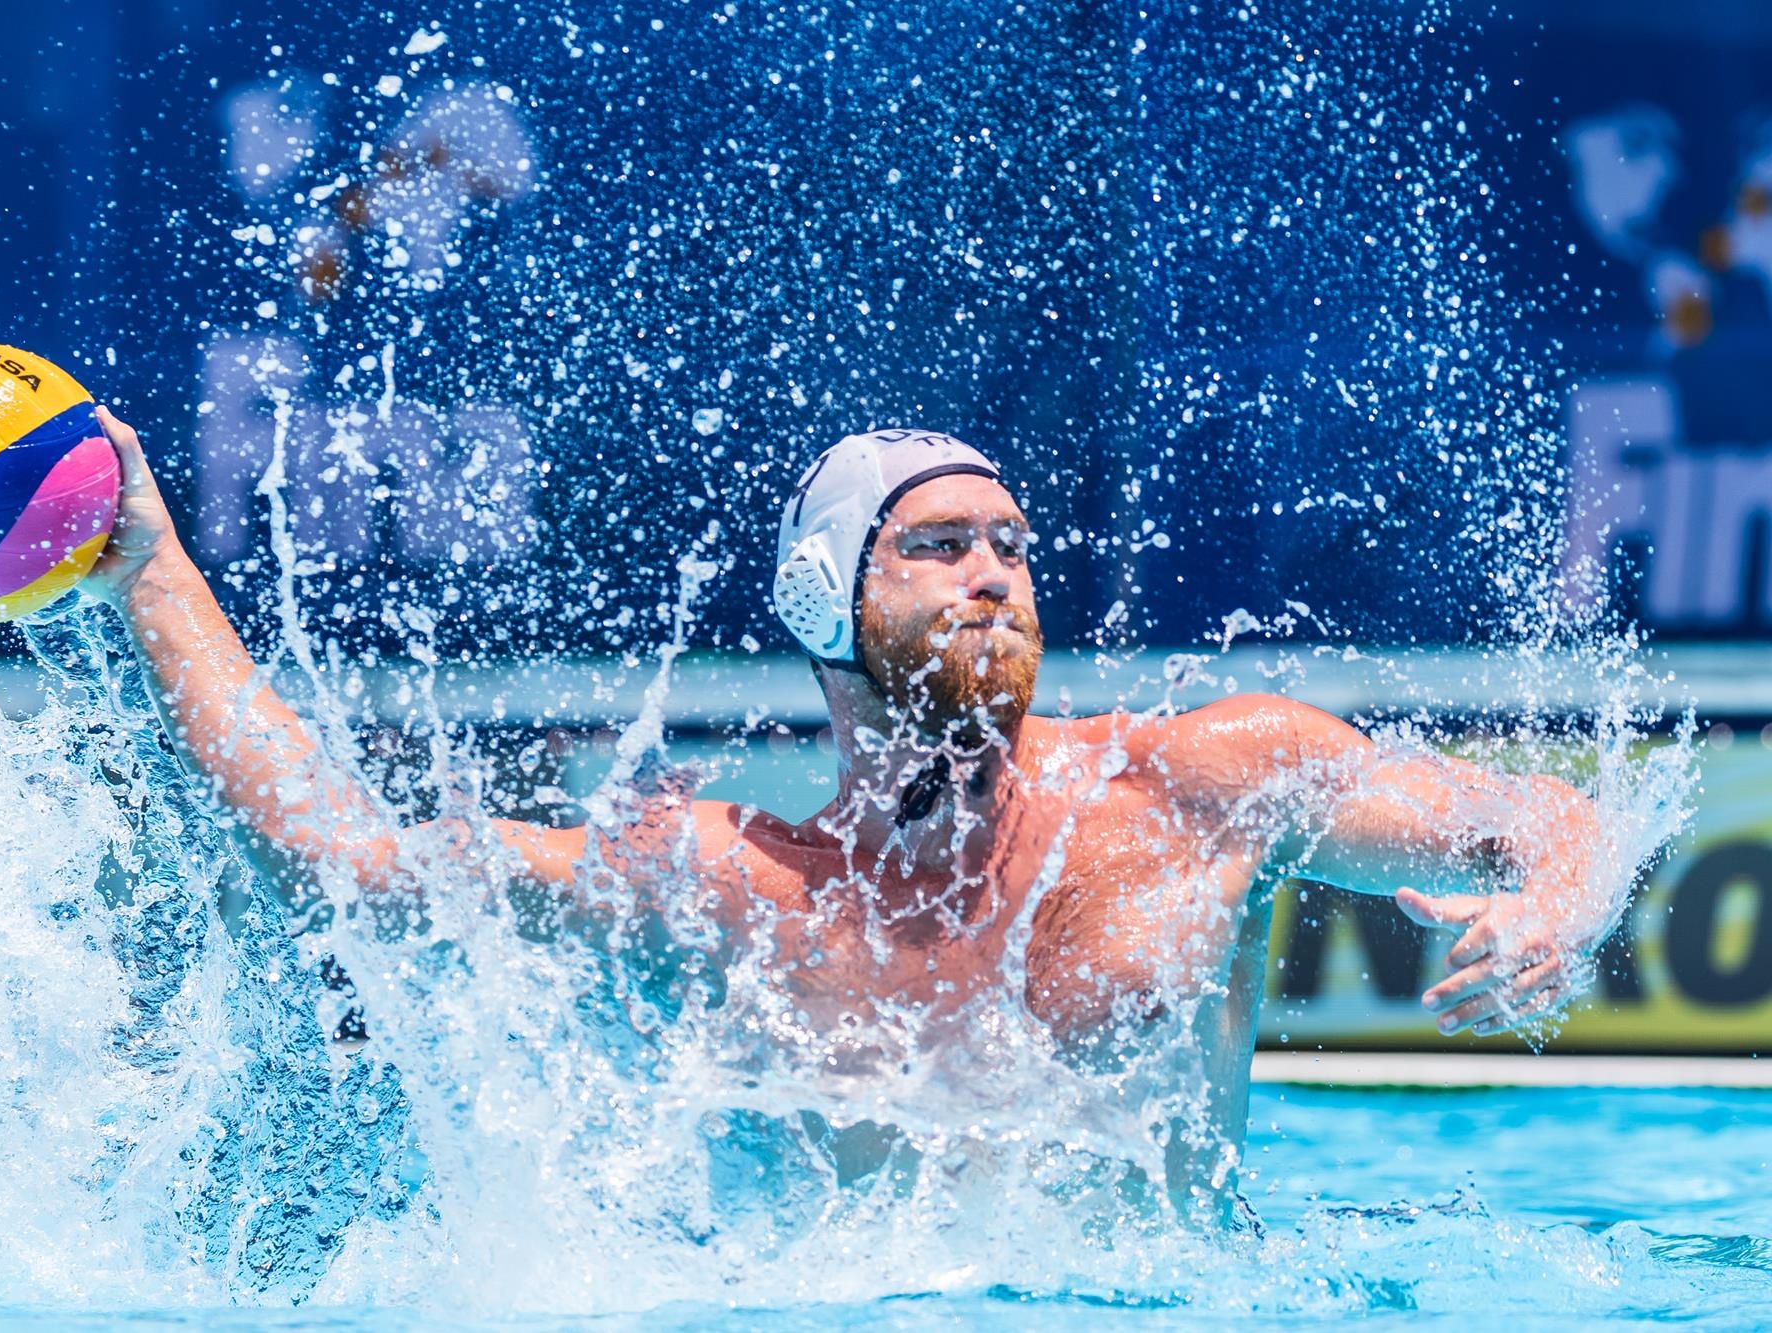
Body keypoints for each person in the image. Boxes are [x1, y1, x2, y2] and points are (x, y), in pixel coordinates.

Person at [83, 413, 1606, 1210]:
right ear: (828, 599)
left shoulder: (1193, 783)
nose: (994, 572)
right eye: (938, 546)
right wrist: (150, 558)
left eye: (1011, 542)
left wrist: (1557, 900)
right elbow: (331, 852)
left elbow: (1538, 813)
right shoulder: (723, 881)